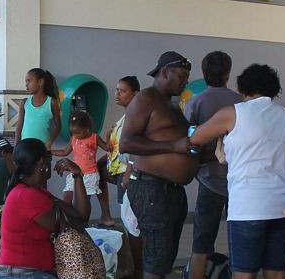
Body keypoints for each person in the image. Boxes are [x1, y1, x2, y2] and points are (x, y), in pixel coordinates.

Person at [190, 64, 285, 278]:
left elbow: (196, 138)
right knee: (276, 271)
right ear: (274, 90)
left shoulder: (233, 113)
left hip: (249, 207)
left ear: (243, 88)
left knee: (244, 273)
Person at [120, 51, 197, 279]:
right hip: (152, 188)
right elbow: (126, 143)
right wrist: (174, 146)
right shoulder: (146, 98)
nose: (185, 82)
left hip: (171, 191)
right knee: (156, 258)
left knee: (164, 259)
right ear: (165, 72)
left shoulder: (172, 105)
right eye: (182, 76)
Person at [0, 138, 89, 279]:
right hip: (23, 274)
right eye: (49, 157)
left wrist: (76, 174)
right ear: (41, 161)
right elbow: (74, 227)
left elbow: (80, 215)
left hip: (30, 272)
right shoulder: (27, 196)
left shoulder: (36, 192)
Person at [184, 51, 241, 279]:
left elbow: (187, 142)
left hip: (209, 181)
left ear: (204, 73)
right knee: (239, 242)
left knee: (201, 244)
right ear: (228, 74)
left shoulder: (196, 102)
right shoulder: (239, 102)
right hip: (238, 182)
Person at [100, 75, 142, 278]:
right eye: (116, 90)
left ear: (135, 94)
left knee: (132, 223)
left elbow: (134, 149)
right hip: (120, 176)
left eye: (122, 90)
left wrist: (128, 172)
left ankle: (139, 270)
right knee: (127, 221)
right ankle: (136, 266)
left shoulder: (135, 118)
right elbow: (114, 148)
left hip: (129, 177)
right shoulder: (124, 118)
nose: (117, 94)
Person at [52, 111, 114, 226]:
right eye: (73, 132)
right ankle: (68, 223)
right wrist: (50, 152)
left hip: (90, 175)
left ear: (87, 129)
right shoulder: (74, 139)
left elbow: (107, 147)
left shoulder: (95, 138)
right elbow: (65, 152)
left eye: (78, 132)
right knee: (67, 198)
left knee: (84, 203)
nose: (75, 135)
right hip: (74, 175)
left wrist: (108, 135)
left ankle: (82, 224)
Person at [16, 68, 61, 149]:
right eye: (26, 81)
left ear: (40, 82)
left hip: (42, 147)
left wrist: (50, 141)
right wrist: (16, 147)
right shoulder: (24, 103)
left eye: (29, 81)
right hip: (25, 147)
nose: (26, 84)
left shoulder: (52, 102)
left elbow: (58, 126)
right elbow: (19, 127)